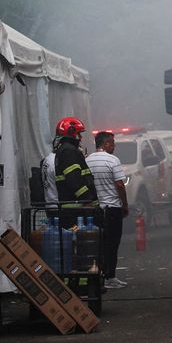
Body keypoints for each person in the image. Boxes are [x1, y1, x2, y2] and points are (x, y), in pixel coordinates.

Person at [86, 131, 130, 290]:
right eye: (112, 143)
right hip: (112, 209)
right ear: (105, 144)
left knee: (98, 244)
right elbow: (119, 185)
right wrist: (125, 205)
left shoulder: (87, 160)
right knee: (112, 244)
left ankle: (97, 274)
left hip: (95, 210)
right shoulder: (112, 160)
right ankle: (110, 276)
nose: (114, 146)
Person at [53, 116, 96, 203]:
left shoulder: (65, 149)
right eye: (78, 134)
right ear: (71, 132)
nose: (80, 137)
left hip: (74, 206)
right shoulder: (68, 151)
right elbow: (74, 180)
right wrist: (87, 200)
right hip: (78, 207)